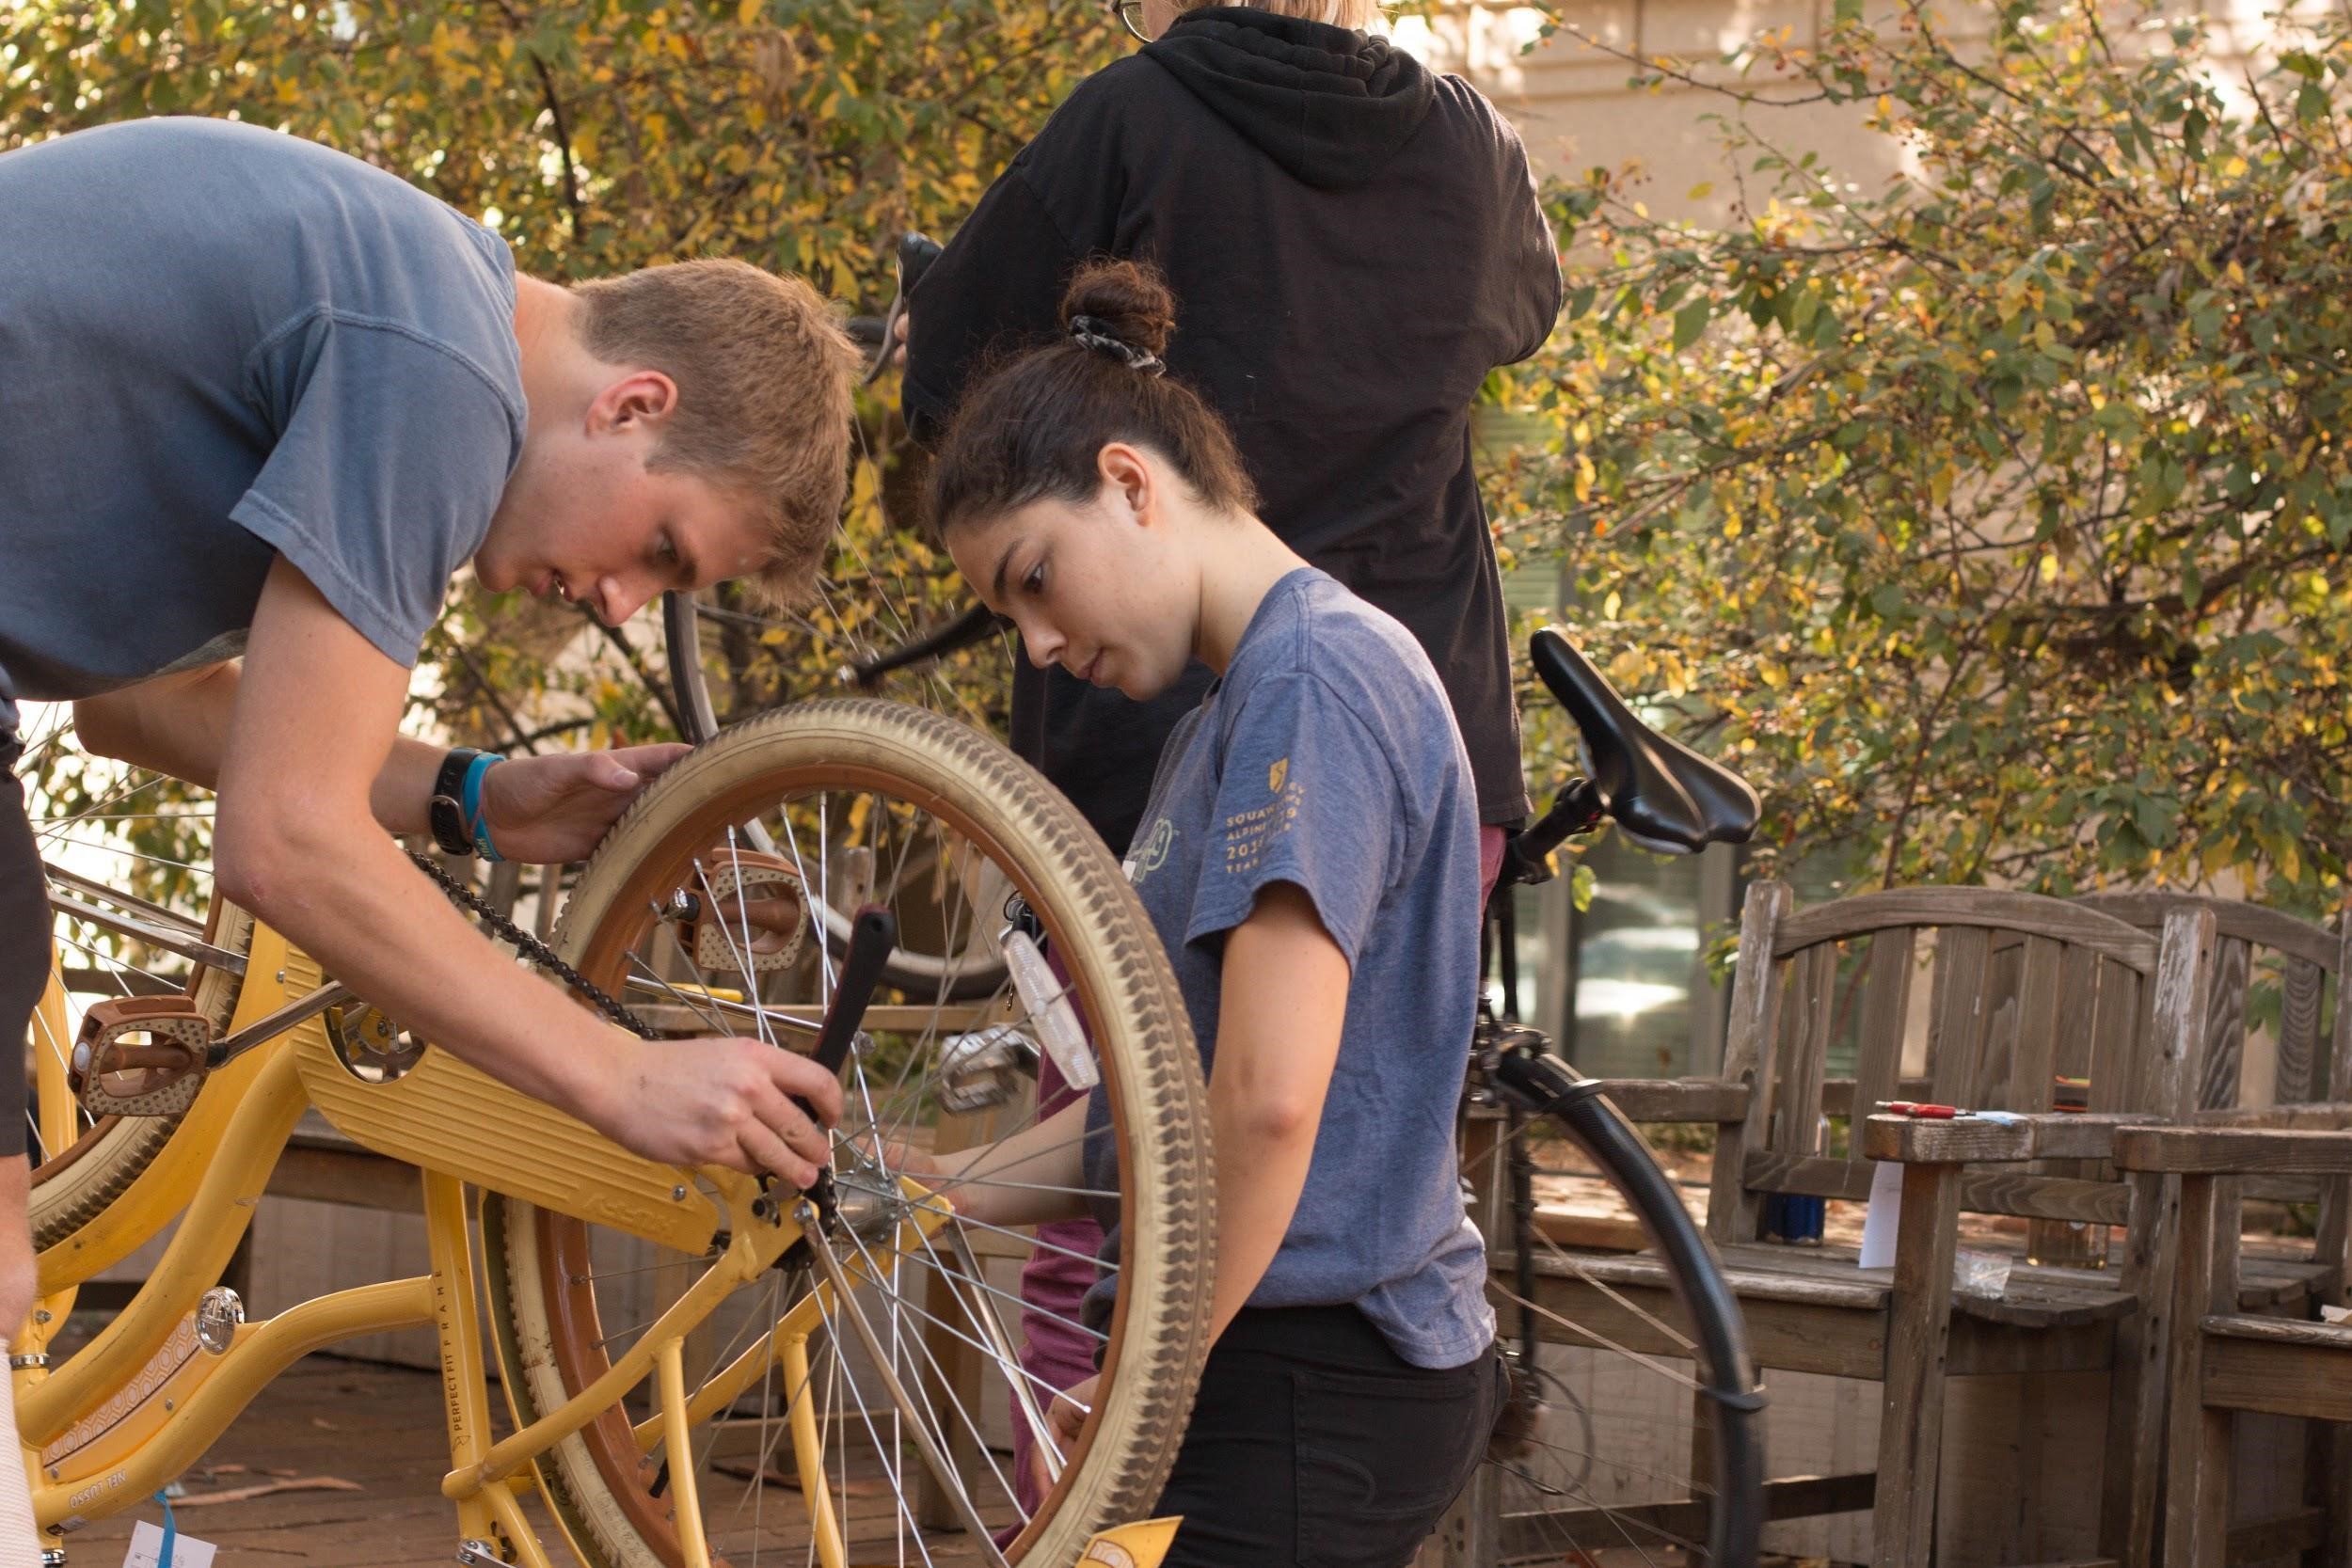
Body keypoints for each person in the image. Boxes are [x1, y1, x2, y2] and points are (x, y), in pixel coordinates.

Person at [0, 117, 858, 1546]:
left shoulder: (403, 294)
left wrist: (467, 796)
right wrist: (621, 1077)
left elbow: (131, 708)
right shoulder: (442, 366)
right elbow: (284, 844)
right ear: (634, 404)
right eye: (661, 554)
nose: (620, 604)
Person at [901, 0, 1559, 1488]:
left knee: (1238, 1152)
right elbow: (1142, 1129)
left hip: (1302, 1373)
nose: (1038, 648)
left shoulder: (1301, 689)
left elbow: (1257, 1104)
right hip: (1427, 660)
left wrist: (1143, 1382)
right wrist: (913, 1188)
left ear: (1131, 482)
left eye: (1033, 584)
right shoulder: (1466, 143)